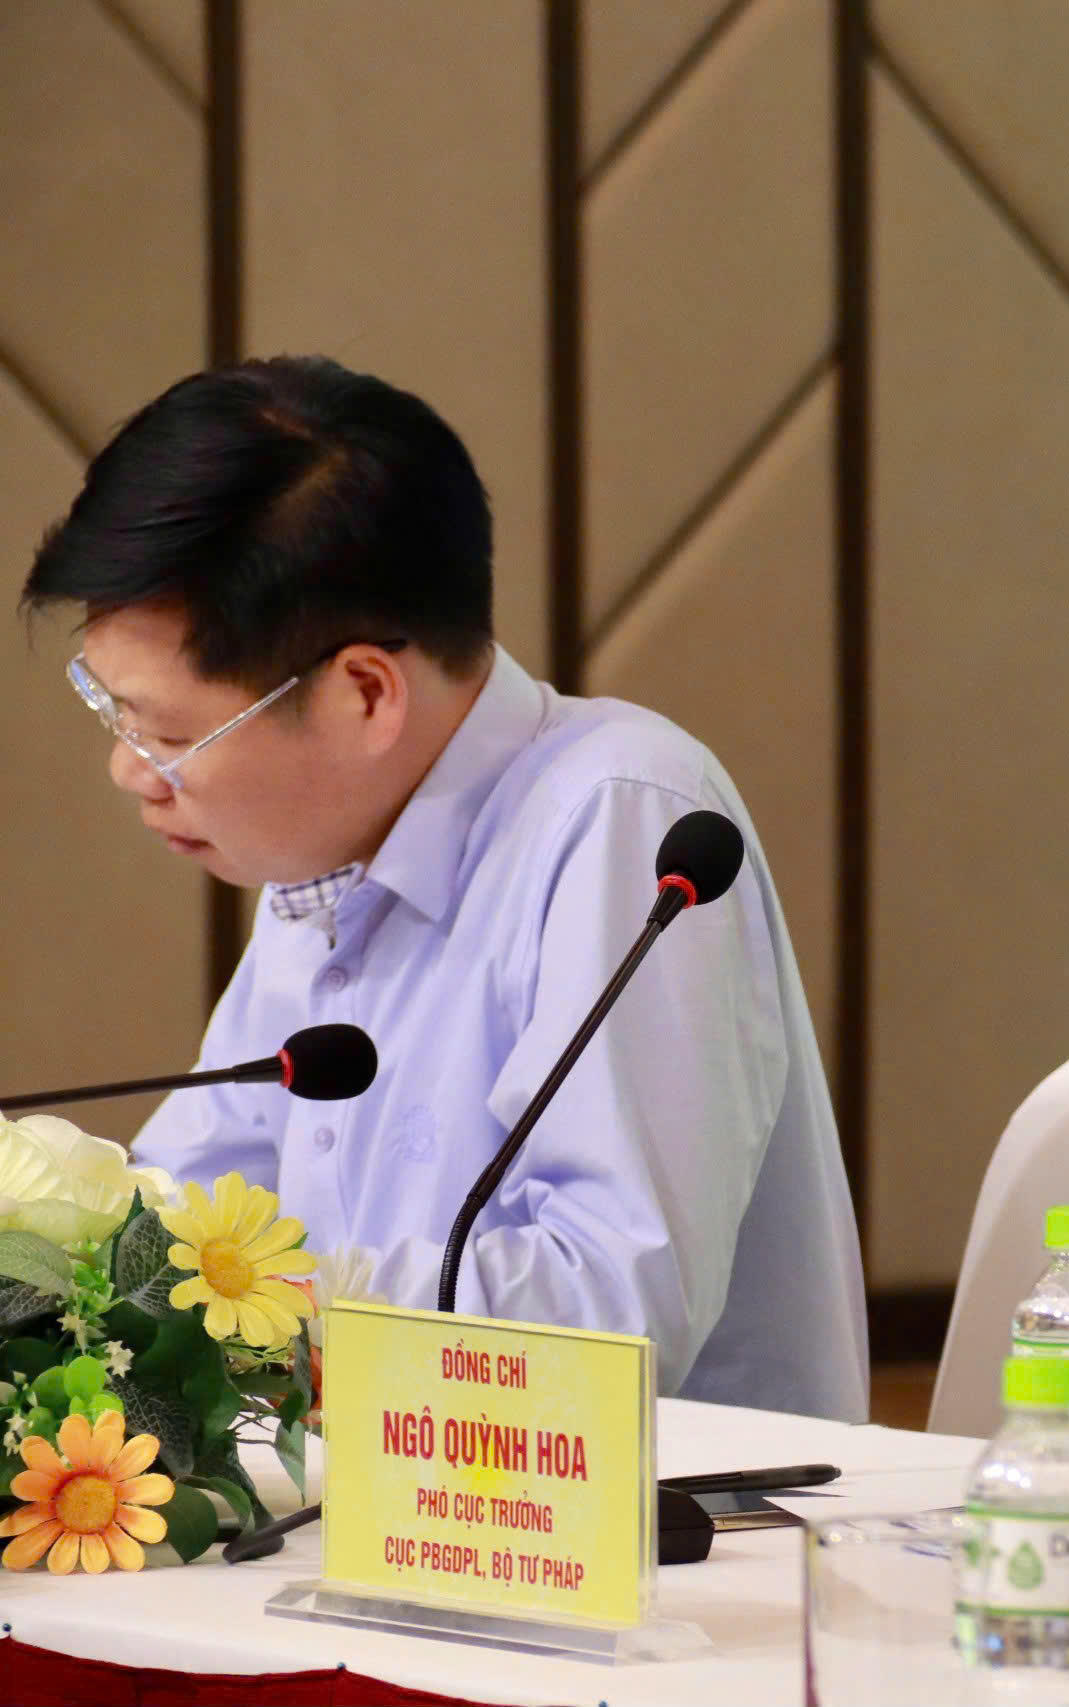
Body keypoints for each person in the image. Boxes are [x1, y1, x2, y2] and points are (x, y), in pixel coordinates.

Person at [21, 356, 868, 1423]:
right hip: (382, 1492)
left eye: (168, 733)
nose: (130, 771)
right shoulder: (329, 845)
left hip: (675, 1508)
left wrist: (269, 1307)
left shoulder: (622, 819)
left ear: (364, 694)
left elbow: (612, 1312)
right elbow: (191, 1209)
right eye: (113, 713)